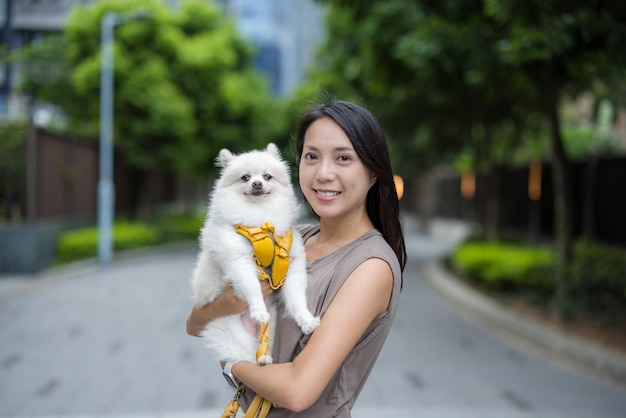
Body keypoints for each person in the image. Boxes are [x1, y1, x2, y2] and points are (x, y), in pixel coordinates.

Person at [187, 100, 407, 417]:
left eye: (343, 158)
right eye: (312, 157)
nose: (324, 174)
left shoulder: (371, 266)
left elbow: (298, 390)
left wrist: (230, 361)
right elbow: (194, 323)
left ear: (373, 172)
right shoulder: (292, 238)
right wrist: (232, 302)